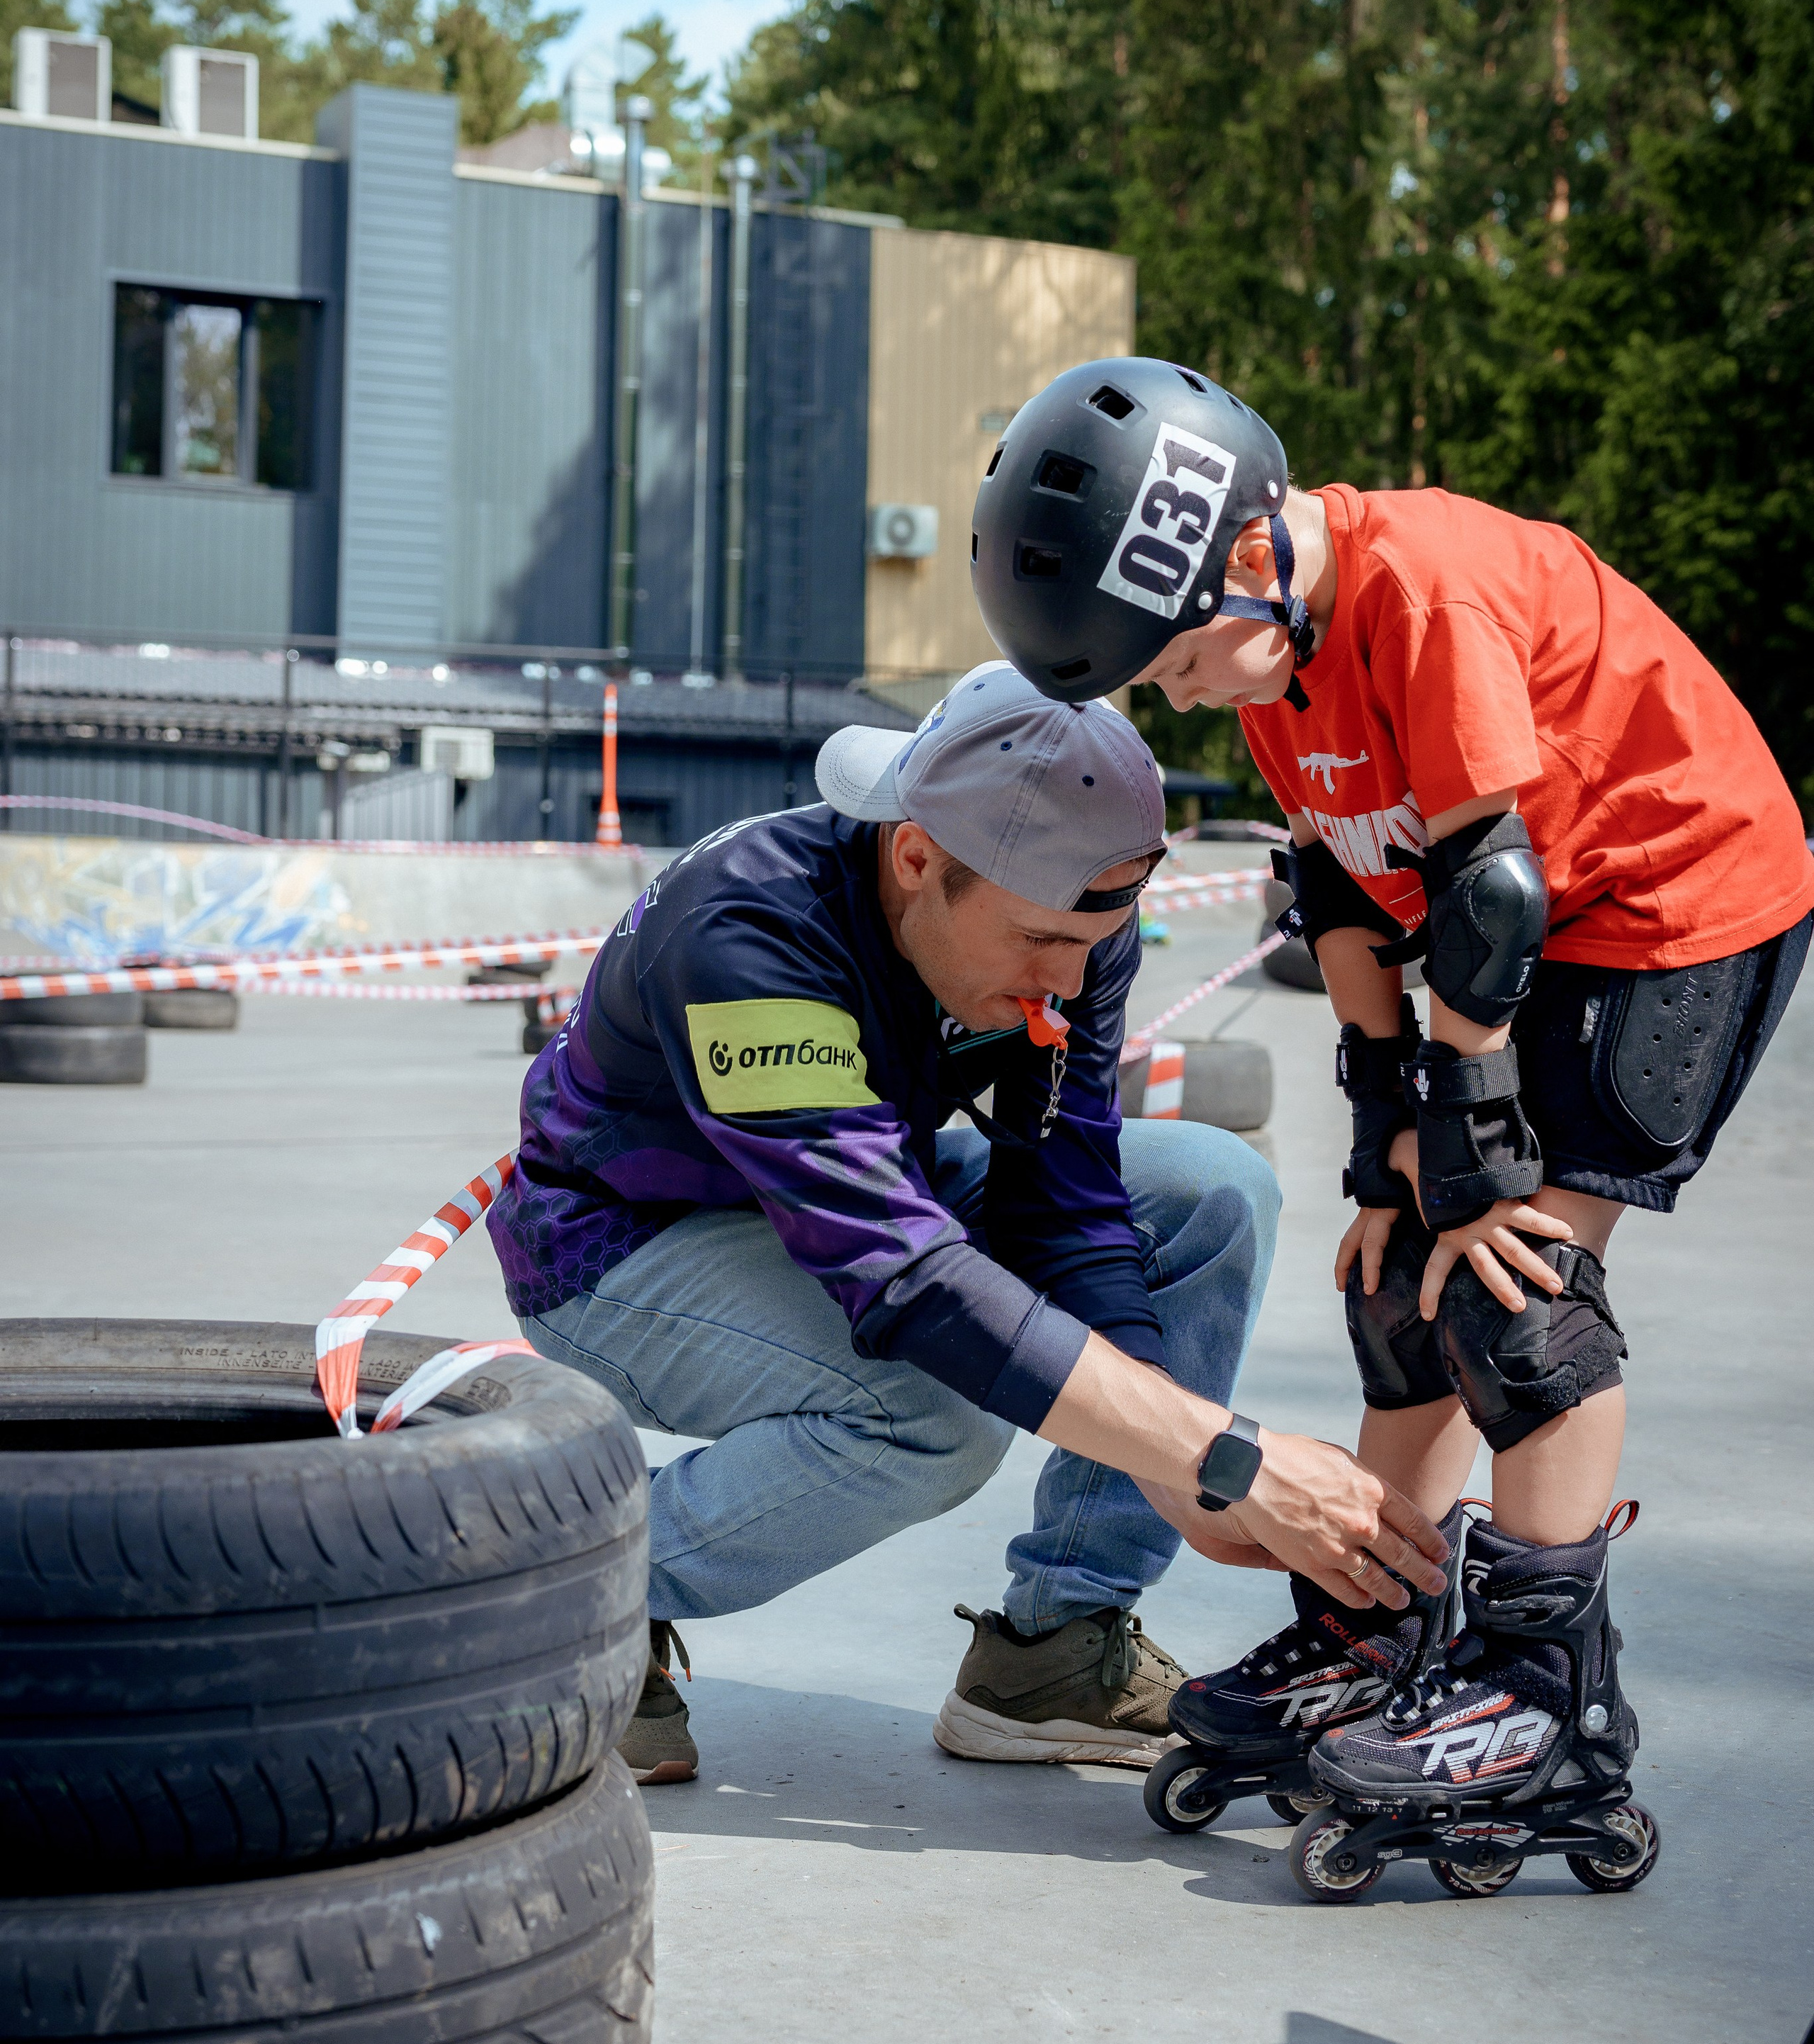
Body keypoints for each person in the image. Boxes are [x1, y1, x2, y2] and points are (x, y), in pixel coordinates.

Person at [973, 356, 1813, 1838]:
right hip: (1538, 921)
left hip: (1681, 901)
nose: (1172, 699)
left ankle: (1539, 1699)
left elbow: (1484, 891)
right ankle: (1382, 1631)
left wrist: (1473, 1150)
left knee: (1512, 1293)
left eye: (1169, 668)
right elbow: (1335, 890)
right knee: (1393, 1280)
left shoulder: (1419, 595)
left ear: (1246, 560)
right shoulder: (1268, 658)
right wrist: (1384, 1146)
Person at [485, 662, 1450, 1785]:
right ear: (915, 859)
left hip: (856, 1188)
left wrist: (1176, 1470)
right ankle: (576, 1602)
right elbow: (906, 1282)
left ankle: (1055, 1652)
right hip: (622, 1246)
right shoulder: (748, 935)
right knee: (932, 1416)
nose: (1070, 982)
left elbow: (1069, 1208)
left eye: (1095, 943)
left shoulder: (1067, 922)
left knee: (1210, 1187)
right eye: (1041, 943)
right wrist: (1222, 1455)